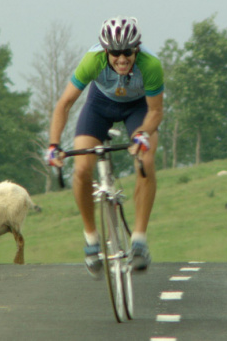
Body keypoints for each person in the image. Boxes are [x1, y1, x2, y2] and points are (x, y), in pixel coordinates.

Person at [46, 16, 164, 278]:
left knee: (145, 161)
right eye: (115, 53)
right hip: (99, 105)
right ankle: (91, 239)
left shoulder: (151, 65)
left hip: (138, 108)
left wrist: (143, 134)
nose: (121, 59)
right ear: (106, 51)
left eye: (127, 52)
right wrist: (53, 145)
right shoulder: (93, 60)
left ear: (136, 49)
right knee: (81, 169)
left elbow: (156, 111)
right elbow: (64, 104)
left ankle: (139, 242)